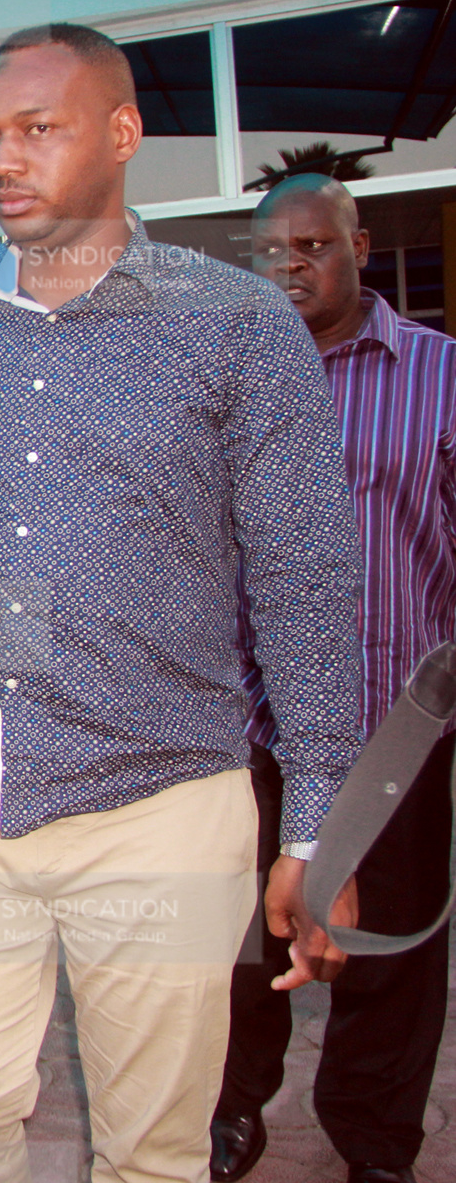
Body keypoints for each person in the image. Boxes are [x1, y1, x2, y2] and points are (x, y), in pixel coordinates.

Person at [0, 24, 363, 1183]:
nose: (3, 160)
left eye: (39, 129)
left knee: (154, 1152)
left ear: (123, 135)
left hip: (159, 812)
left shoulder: (236, 326)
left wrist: (317, 816)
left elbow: (304, 580)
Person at [210, 173, 456, 1183]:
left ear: (358, 242)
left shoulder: (439, 375)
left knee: (388, 950)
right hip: (253, 725)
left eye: (312, 245)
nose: (291, 265)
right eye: (271, 252)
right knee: (235, 948)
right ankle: (230, 1112)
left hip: (395, 723)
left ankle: (374, 1139)